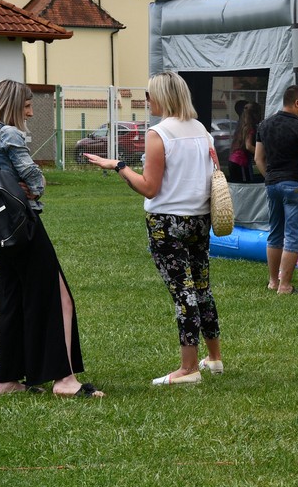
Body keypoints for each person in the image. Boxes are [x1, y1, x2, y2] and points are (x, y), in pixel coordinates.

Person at [86, 72, 222, 385]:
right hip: (200, 218)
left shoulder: (159, 133)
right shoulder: (201, 130)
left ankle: (188, 369)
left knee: (182, 293)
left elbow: (149, 187)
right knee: (201, 287)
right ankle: (214, 357)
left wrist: (118, 166)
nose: (147, 102)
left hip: (167, 222)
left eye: (149, 96)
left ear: (161, 97)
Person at [0, 80, 103, 398]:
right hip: (24, 226)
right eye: (26, 104)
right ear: (12, 104)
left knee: (11, 299)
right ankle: (64, 380)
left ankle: (8, 381)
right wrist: (35, 187)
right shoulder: (10, 134)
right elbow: (35, 179)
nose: (30, 111)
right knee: (58, 296)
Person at [254, 85, 298, 295]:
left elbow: (258, 158)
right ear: (297, 103)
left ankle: (273, 281)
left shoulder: (264, 125)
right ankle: (285, 286)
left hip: (272, 185)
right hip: (295, 187)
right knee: (292, 235)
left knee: (275, 233)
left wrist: (272, 178)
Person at [228, 102, 262, 183]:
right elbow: (248, 146)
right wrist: (261, 153)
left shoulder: (242, 125)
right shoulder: (250, 128)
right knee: (245, 185)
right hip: (240, 162)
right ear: (255, 114)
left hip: (233, 160)